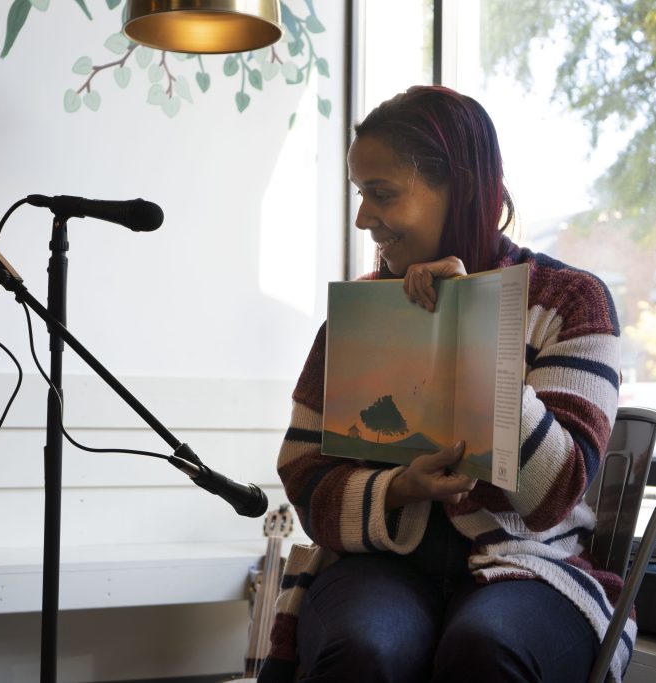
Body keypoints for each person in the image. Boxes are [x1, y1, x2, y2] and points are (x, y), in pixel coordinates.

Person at [256, 85, 625, 682]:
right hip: (381, 564)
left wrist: (470, 326)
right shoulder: (361, 316)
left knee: (486, 645)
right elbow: (304, 474)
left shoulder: (569, 301)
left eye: (381, 194)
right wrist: (398, 488)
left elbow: (557, 491)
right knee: (368, 648)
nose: (362, 218)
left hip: (530, 565)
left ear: (461, 189)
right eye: (360, 194)